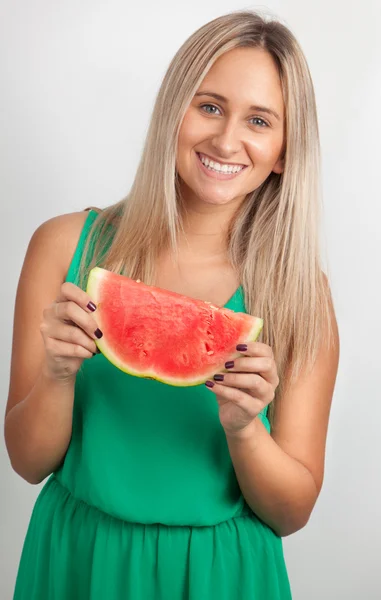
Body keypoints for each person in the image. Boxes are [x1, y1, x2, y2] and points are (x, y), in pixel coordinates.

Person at [5, 9, 339, 600]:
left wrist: (245, 431)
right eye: (209, 106)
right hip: (81, 560)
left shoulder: (299, 294)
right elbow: (27, 463)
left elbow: (292, 512)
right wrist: (57, 374)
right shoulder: (64, 247)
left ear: (284, 152)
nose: (226, 139)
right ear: (173, 111)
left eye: (259, 121)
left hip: (221, 573)